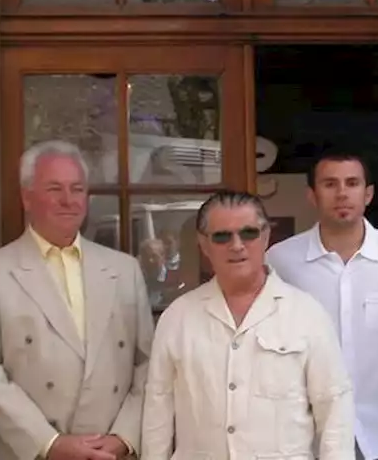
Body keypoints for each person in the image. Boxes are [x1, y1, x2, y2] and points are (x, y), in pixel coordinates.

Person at [0, 140, 154, 460]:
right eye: (54, 189)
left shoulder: (124, 269)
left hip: (111, 453)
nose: (68, 200)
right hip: (28, 451)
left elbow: (148, 363)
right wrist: (49, 443)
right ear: (27, 197)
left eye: (77, 189)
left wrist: (124, 436)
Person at [141, 191, 354, 460]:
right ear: (204, 245)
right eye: (222, 236)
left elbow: (335, 409)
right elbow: (157, 413)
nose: (237, 245)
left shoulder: (307, 315)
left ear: (266, 237)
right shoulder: (178, 318)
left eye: (248, 233)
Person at [267, 152, 378, 460]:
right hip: (304, 441)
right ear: (312, 195)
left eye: (352, 183)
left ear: (367, 194)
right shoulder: (280, 261)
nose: (342, 193)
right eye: (330, 184)